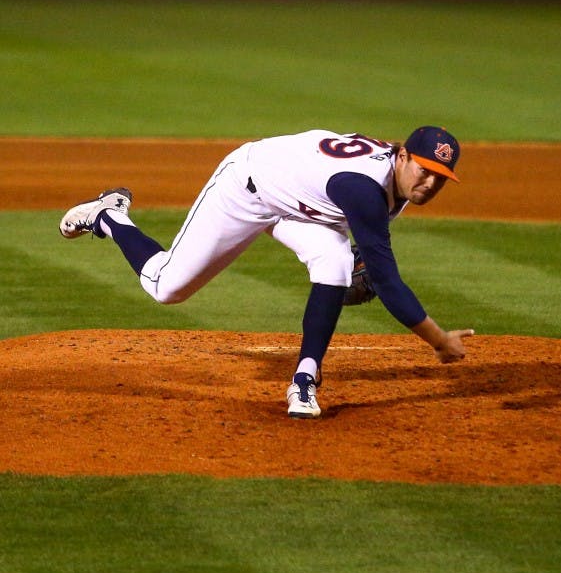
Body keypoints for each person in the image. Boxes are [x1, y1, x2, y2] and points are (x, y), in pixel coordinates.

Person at [59, 126, 475, 419]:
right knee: (166, 287)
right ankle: (109, 216)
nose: (430, 184)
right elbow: (386, 281)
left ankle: (304, 380)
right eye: (425, 170)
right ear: (402, 156)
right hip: (247, 186)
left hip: (297, 201)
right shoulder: (366, 189)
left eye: (441, 178)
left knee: (334, 262)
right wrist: (438, 340)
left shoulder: (396, 182)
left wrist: (356, 262)